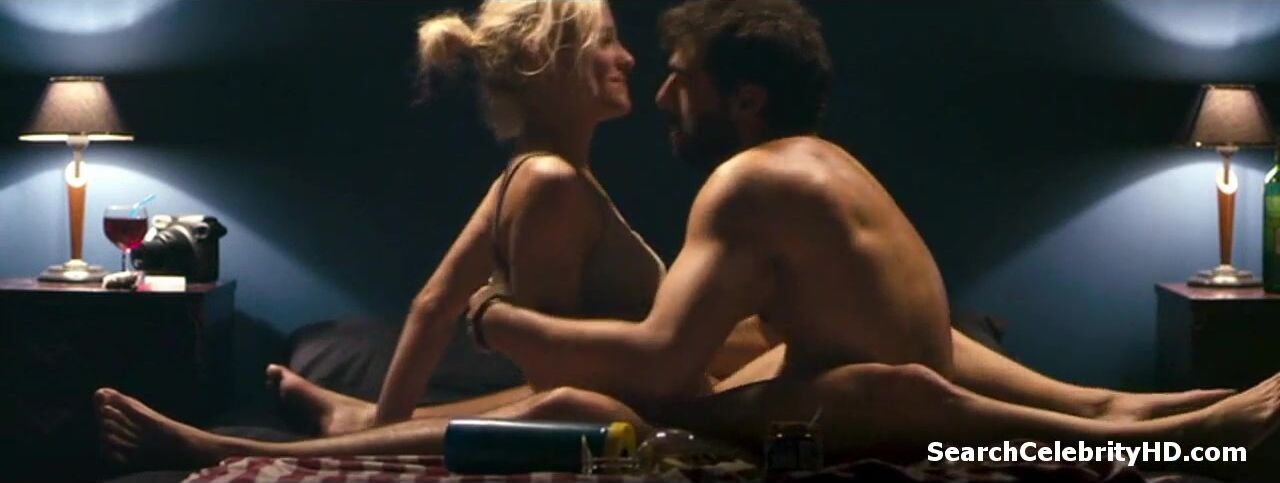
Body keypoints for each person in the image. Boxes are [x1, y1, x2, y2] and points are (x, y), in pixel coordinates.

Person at [97, 0, 1272, 468]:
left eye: (673, 71)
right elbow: (467, 320)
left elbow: (651, 362)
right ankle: (1192, 424)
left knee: (936, 389)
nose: (652, 81)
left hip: (840, 382)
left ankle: (1196, 428)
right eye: (622, 51)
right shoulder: (810, 166)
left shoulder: (734, 185)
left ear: (740, 99)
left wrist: (505, 330)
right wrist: (477, 358)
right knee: (1038, 398)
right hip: (831, 378)